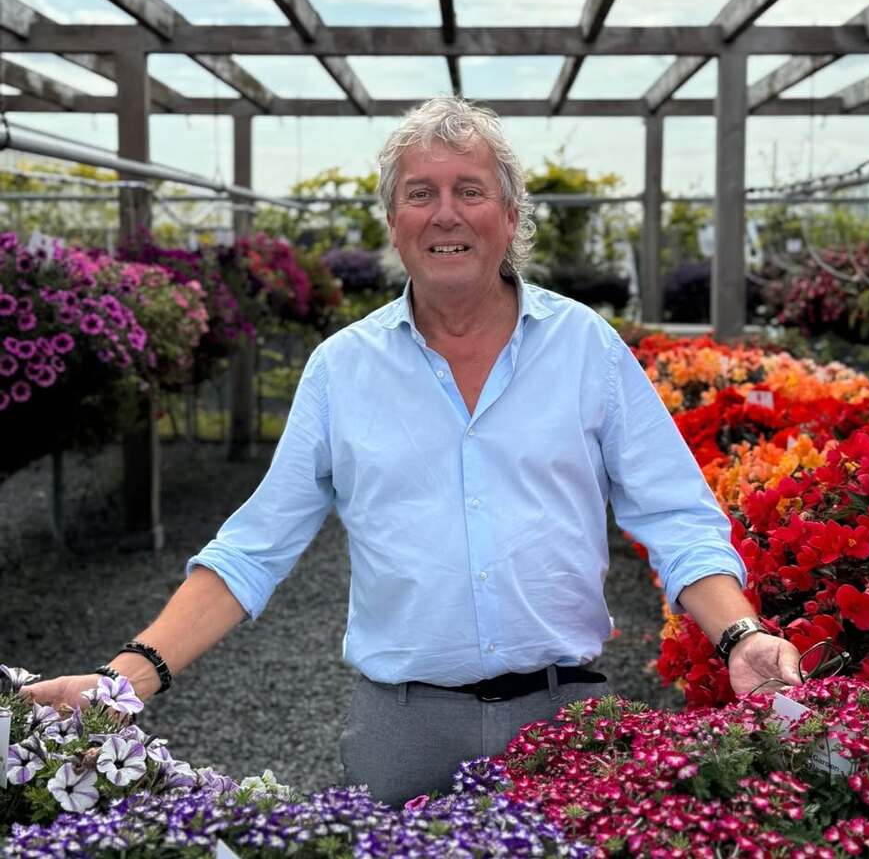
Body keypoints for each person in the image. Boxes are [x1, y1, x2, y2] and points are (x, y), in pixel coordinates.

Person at [27, 97, 802, 806]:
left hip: (569, 717)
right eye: (419, 193)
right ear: (393, 222)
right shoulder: (343, 368)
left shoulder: (586, 349)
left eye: (469, 189)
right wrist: (124, 680)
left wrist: (740, 633)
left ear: (509, 214)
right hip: (401, 730)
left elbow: (675, 516)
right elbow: (254, 549)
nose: (444, 214)